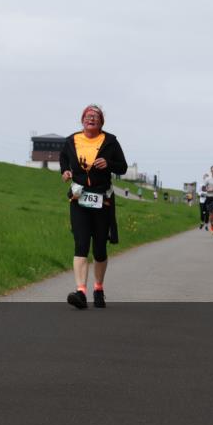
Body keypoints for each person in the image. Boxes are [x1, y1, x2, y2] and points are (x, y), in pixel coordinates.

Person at [59, 105, 128, 309]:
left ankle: (98, 288)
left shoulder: (110, 141)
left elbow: (122, 167)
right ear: (82, 120)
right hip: (79, 199)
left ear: (101, 122)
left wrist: (108, 163)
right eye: (88, 116)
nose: (91, 119)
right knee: (81, 244)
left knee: (99, 247)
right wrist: (65, 171)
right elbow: (64, 159)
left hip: (102, 199)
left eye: (95, 117)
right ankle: (81, 292)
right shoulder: (71, 140)